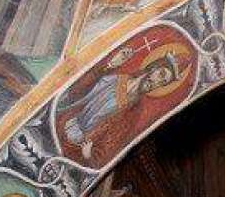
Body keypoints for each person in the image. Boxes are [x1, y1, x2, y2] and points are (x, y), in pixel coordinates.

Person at [59, 47, 187, 159]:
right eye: (161, 74)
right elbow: (76, 92)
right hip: (61, 122)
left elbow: (109, 147)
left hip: (75, 150)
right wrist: (110, 65)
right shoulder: (114, 79)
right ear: (154, 67)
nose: (157, 82)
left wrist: (88, 155)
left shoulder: (133, 111)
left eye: (163, 82)